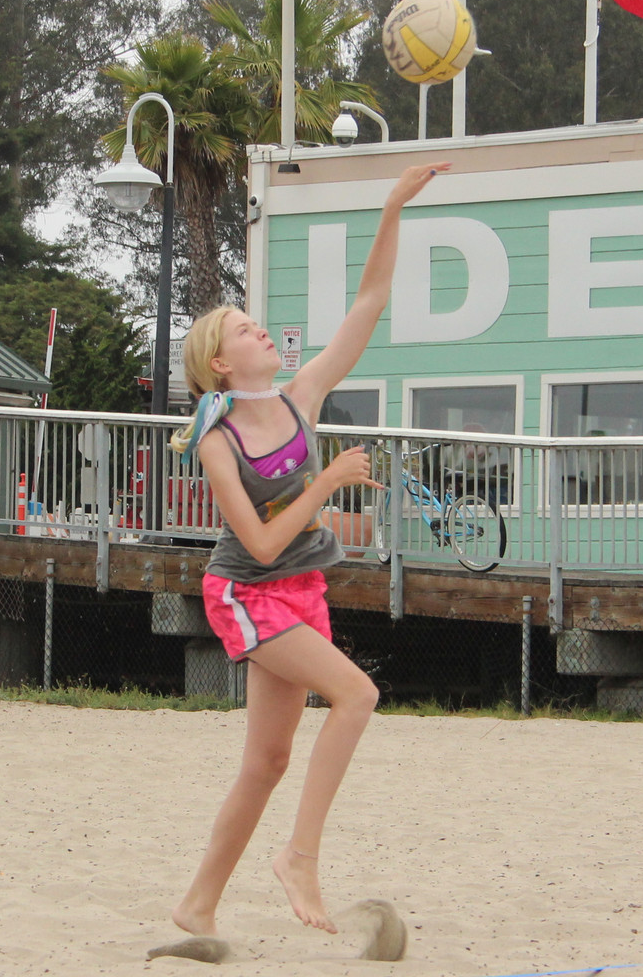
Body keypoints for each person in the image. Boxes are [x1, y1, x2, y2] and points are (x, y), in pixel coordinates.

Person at [169, 161, 450, 941]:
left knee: (267, 762)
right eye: (244, 329)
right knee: (358, 696)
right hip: (246, 592)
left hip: (300, 590)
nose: (260, 330)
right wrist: (325, 483)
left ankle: (197, 905)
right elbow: (260, 542)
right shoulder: (219, 440)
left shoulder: (300, 399)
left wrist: (392, 206)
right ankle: (299, 857)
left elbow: (369, 302)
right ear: (222, 364)